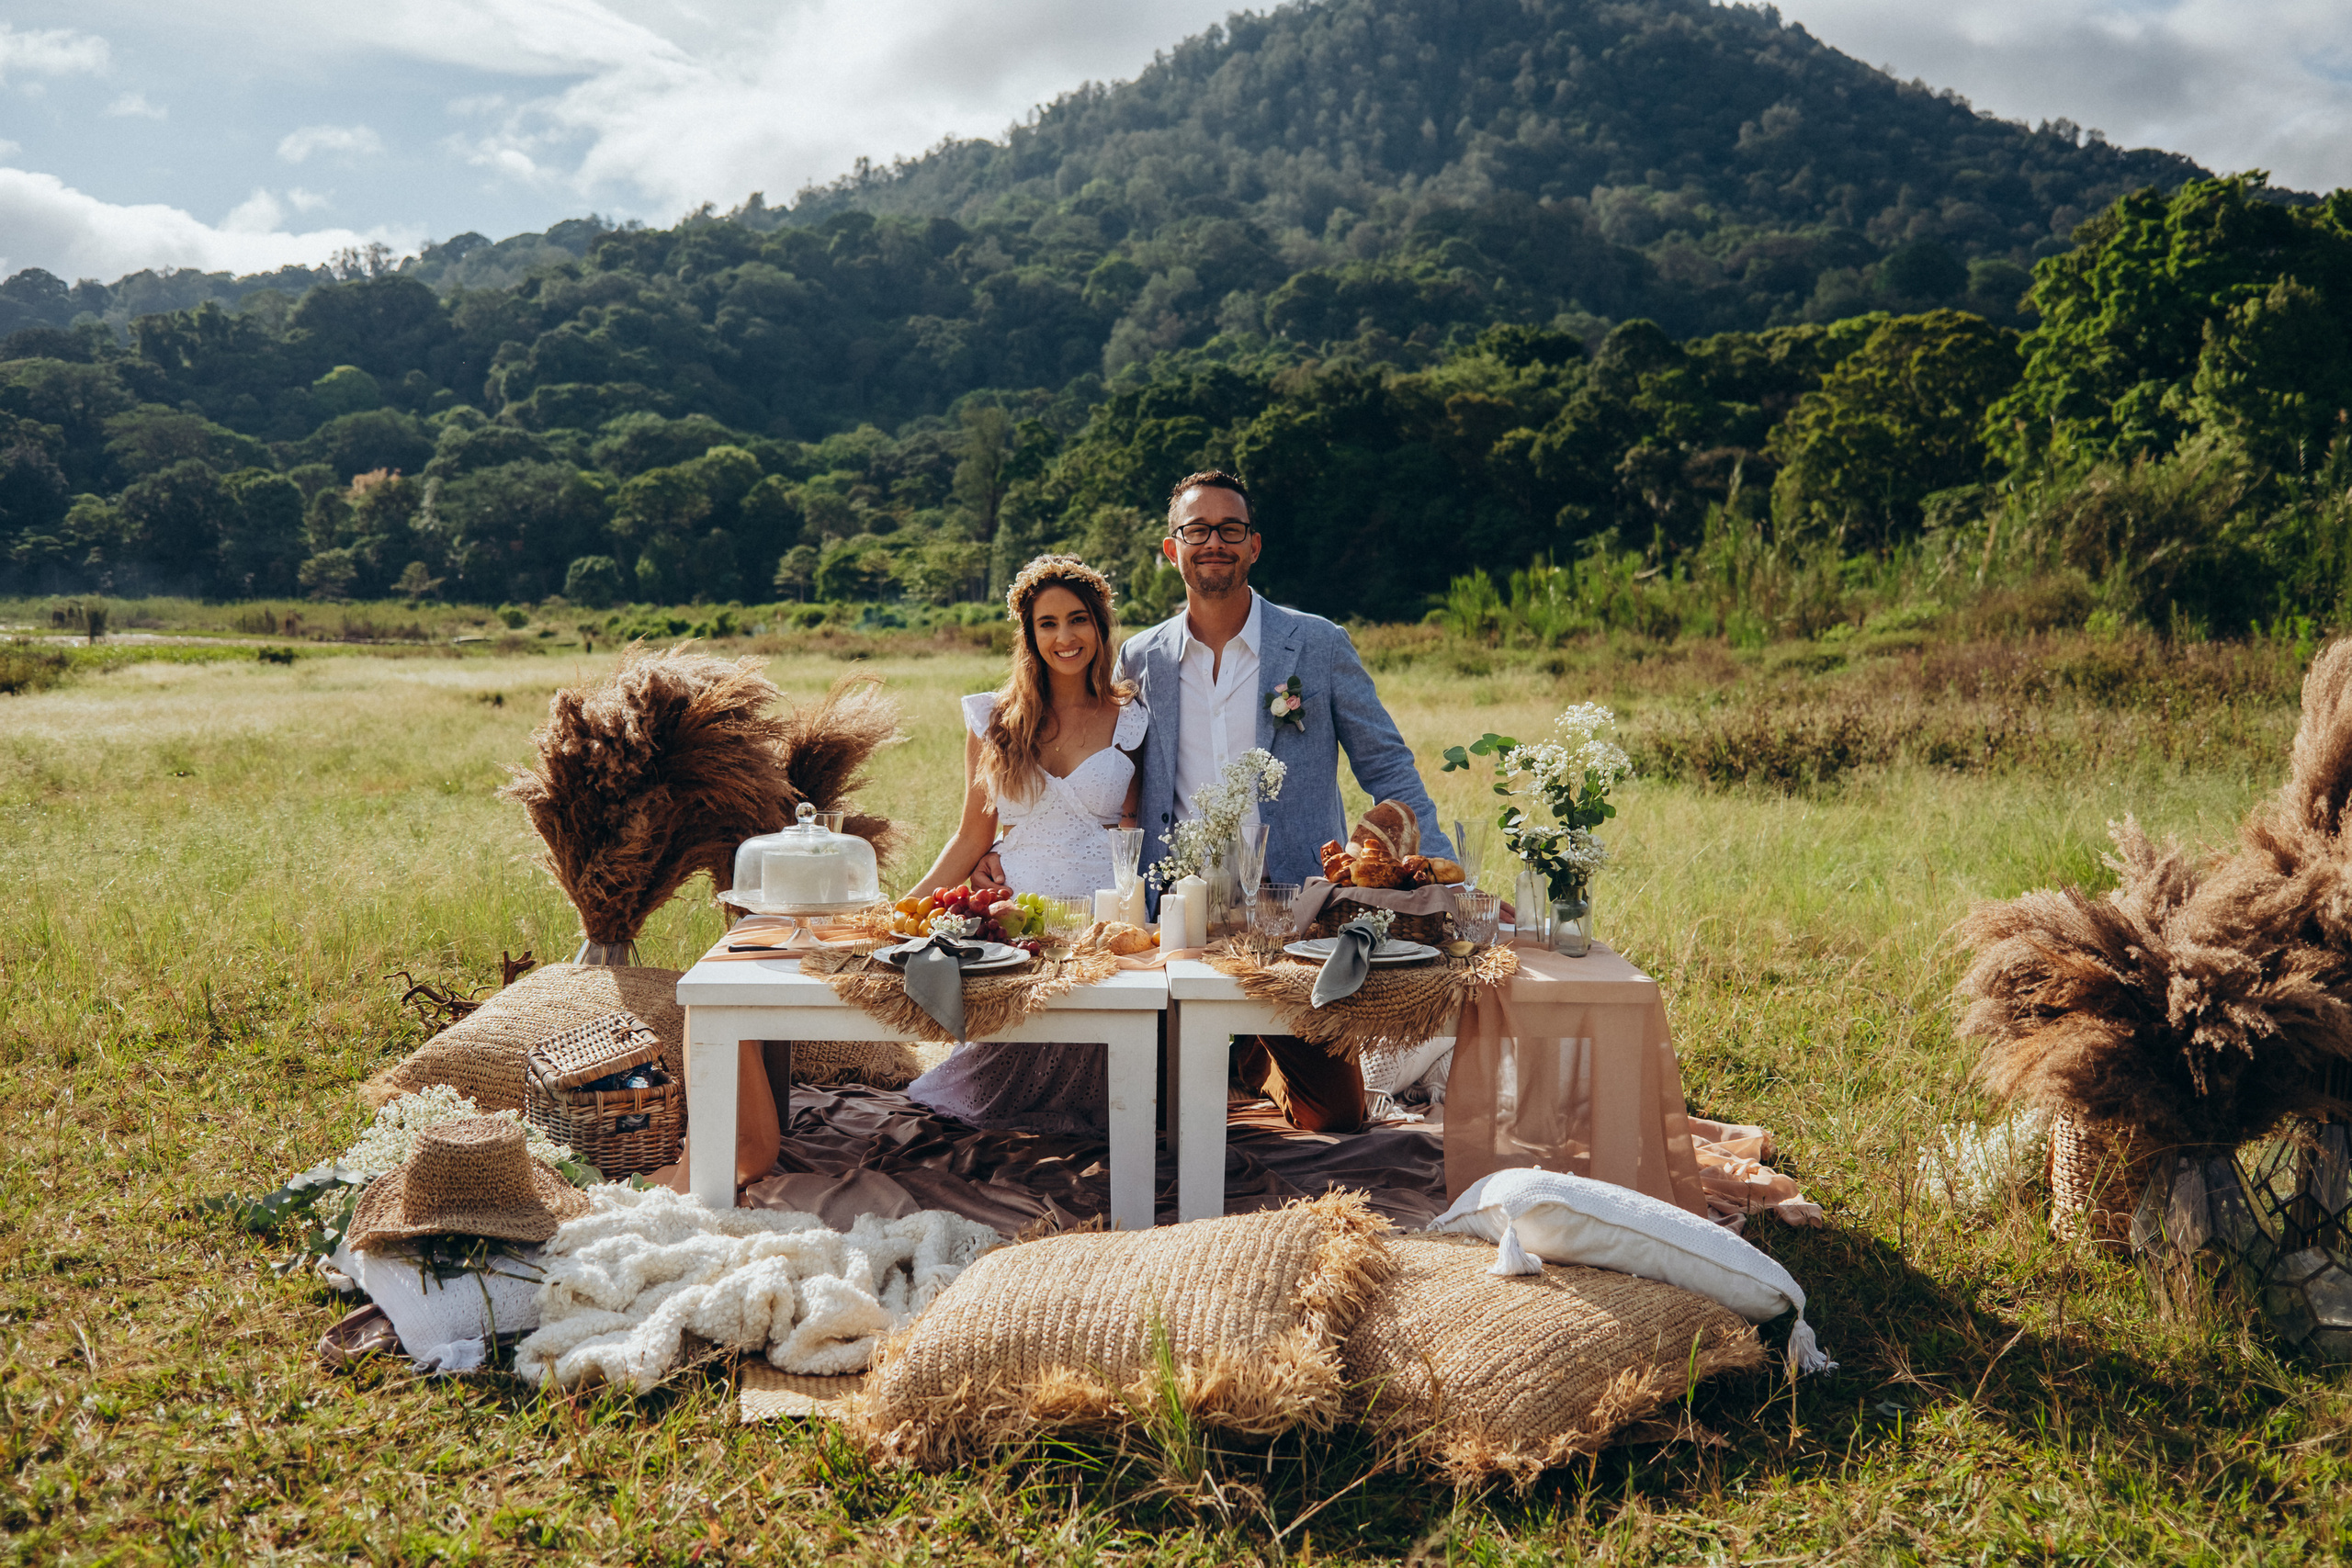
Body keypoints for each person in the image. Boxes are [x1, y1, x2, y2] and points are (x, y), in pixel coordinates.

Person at [1115, 468, 1453, 1134]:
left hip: (1296, 918)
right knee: (1151, 1113)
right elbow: (1109, 773)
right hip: (1177, 919)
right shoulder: (1139, 657)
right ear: (1172, 548)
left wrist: (1440, 876)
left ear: (1255, 545)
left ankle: (1253, 1059)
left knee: (1336, 1115)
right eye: (1197, 530)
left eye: (1230, 529)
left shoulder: (1318, 644)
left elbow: (1386, 764)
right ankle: (1226, 1049)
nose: (1214, 542)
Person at [900, 555, 1146, 1136]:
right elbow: (972, 835)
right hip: (1015, 919)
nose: (1065, 637)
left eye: (1078, 619)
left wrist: (1130, 924)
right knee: (993, 1083)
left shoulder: (1130, 717)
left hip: (1099, 923)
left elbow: (1131, 830)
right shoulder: (993, 719)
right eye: (1047, 623)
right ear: (1029, 635)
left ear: (1100, 626)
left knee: (1109, 1084)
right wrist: (900, 910)